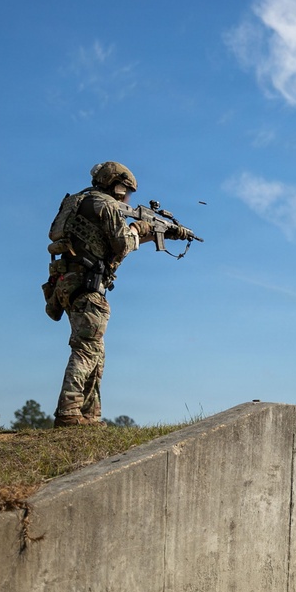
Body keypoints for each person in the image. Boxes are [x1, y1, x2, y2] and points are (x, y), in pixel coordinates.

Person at [48, 161, 187, 428]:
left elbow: (111, 241)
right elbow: (123, 245)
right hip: (88, 284)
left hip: (67, 281)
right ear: (119, 185)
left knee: (96, 352)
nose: (129, 197)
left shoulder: (79, 202)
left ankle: (88, 416)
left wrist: (159, 231)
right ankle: (68, 413)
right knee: (87, 350)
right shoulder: (108, 206)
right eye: (128, 191)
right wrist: (137, 229)